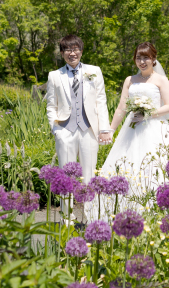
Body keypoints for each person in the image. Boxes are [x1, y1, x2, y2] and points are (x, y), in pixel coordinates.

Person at [100, 42, 169, 194]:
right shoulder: (129, 80)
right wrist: (111, 130)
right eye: (138, 58)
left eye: (146, 58)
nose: (142, 62)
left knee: (155, 163)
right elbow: (121, 107)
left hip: (155, 127)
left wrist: (147, 113)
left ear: (153, 59)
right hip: (131, 129)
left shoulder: (161, 80)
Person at [45, 34, 113, 218]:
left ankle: (91, 217)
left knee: (89, 175)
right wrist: (56, 129)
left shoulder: (94, 71)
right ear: (62, 53)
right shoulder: (54, 76)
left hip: (88, 130)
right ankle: (67, 217)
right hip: (65, 131)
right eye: (67, 49)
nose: (72, 53)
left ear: (81, 51)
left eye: (75, 49)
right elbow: (51, 105)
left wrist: (104, 129)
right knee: (65, 177)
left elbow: (101, 101)